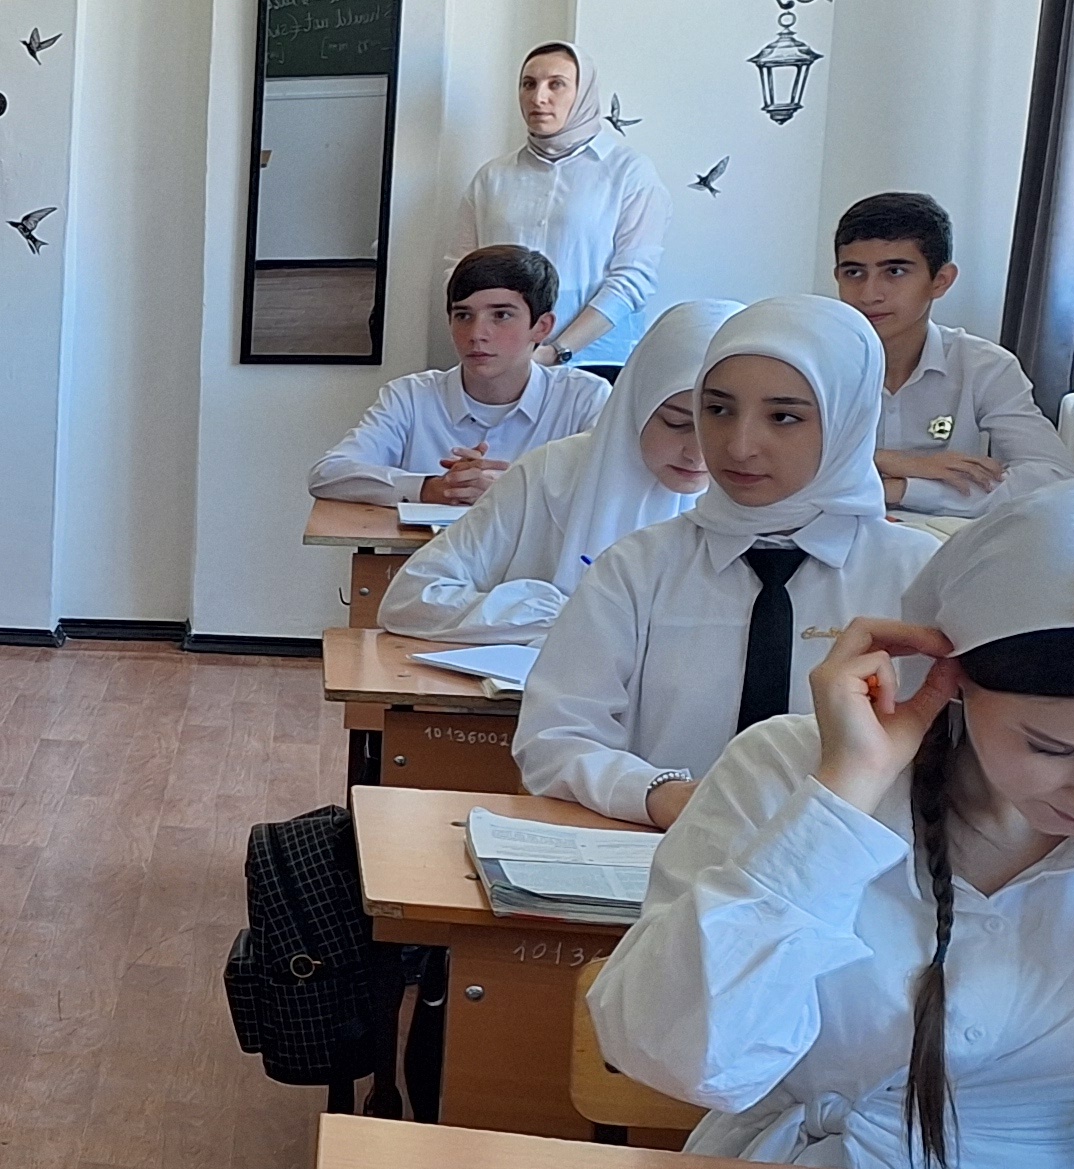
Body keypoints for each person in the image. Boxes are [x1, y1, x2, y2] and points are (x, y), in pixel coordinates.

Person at [592, 479, 1074, 1169]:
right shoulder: (789, 767)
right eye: (1053, 748)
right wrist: (842, 798)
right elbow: (682, 1062)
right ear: (955, 676)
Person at [516, 297, 941, 825]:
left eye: (783, 417)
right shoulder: (638, 567)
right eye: (717, 410)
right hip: (657, 855)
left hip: (859, 865)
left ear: (848, 421)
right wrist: (662, 796)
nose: (739, 446)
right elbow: (553, 738)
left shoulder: (920, 576)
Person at [382, 300, 741, 640]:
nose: (697, 455)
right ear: (636, 404)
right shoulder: (548, 475)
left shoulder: (758, 507)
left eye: (720, 428)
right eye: (676, 423)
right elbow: (412, 598)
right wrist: (571, 616)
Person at [831, 192, 1074, 519]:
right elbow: (775, 467)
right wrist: (890, 460)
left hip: (946, 540)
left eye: (895, 272)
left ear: (941, 281)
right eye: (854, 273)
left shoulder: (985, 366)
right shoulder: (809, 363)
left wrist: (901, 488)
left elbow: (1055, 479)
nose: (869, 294)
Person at [308, 246, 614, 507]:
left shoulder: (585, 398)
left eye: (501, 315)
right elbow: (328, 474)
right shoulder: (410, 396)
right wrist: (430, 488)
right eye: (463, 315)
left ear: (542, 327)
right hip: (422, 555)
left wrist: (513, 491)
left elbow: (614, 490)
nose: (477, 334)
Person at [456, 42, 669, 367]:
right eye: (529, 84)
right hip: (501, 365)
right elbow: (461, 269)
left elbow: (632, 278)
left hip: (593, 362)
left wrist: (557, 350)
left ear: (583, 93)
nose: (538, 97)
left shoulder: (629, 173)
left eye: (556, 84)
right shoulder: (492, 177)